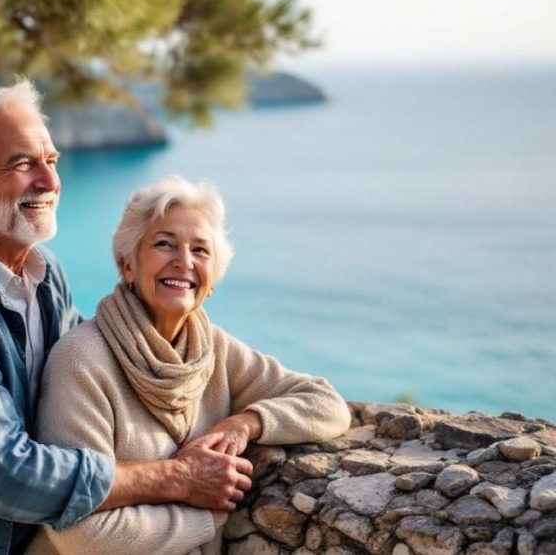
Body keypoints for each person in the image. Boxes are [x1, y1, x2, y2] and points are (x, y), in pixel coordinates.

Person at [0, 83, 257, 555]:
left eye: (52, 161)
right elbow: (6, 476)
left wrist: (241, 419)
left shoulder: (45, 275)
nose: (49, 181)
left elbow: (105, 368)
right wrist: (178, 478)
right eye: (23, 164)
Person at [28, 175, 352, 555]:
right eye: (164, 244)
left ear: (213, 279)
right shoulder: (82, 360)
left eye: (201, 251)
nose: (183, 262)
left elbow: (327, 404)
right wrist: (210, 511)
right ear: (127, 264)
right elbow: (82, 535)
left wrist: (245, 424)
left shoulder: (211, 349)